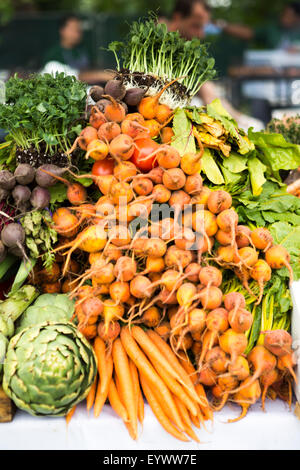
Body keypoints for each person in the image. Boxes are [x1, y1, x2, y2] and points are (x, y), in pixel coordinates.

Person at [162, 0, 263, 130]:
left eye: (203, 27)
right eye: (196, 26)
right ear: (177, 17)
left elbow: (207, 91)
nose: (201, 34)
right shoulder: (158, 43)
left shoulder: (187, 49)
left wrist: (240, 120)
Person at [43, 15, 113, 83]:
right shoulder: (54, 55)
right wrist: (101, 76)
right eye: (72, 29)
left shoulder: (85, 48)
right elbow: (73, 77)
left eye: (79, 29)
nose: (77, 32)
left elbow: (93, 67)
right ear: (62, 31)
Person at [215, 2, 300, 51]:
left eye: (289, 16)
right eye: (283, 14)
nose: (283, 18)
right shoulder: (272, 28)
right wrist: (221, 24)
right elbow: (249, 33)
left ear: (297, 18)